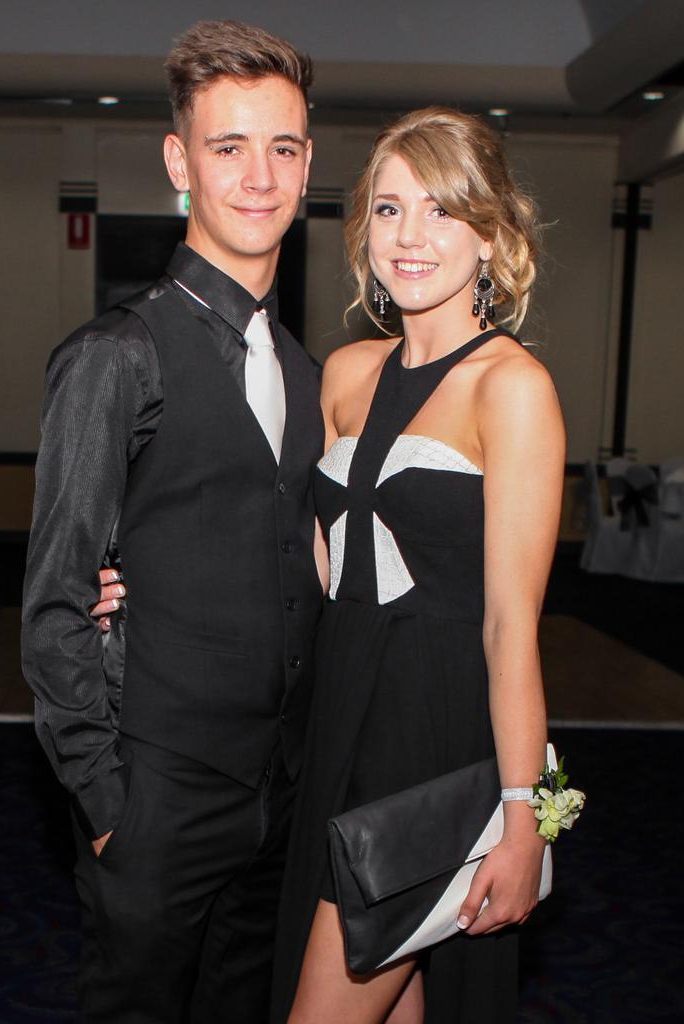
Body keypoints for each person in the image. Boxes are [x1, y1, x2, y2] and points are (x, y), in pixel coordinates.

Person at [21, 21, 325, 1024]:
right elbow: (58, 600)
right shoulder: (115, 357)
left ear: (308, 163)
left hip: (275, 804)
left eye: (282, 147)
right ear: (178, 162)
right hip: (156, 802)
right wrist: (107, 806)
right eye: (228, 146)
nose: (258, 175)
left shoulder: (302, 367)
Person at [267, 107, 565, 1024]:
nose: (411, 236)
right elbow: (309, 560)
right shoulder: (345, 373)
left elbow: (511, 624)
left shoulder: (512, 387)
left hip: (434, 734)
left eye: (441, 211)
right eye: (390, 209)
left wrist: (525, 818)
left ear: (490, 232)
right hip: (338, 711)